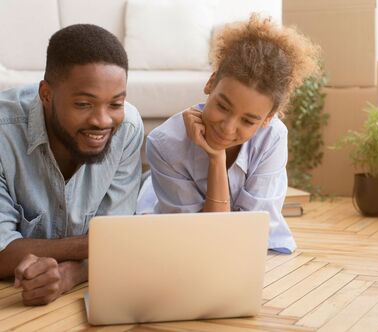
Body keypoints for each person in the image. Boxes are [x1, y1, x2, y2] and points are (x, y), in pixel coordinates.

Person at [137, 15, 319, 253]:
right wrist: (217, 160)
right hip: (173, 225)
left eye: (248, 120)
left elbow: (247, 236)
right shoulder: (165, 143)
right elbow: (204, 242)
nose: (227, 128)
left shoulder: (272, 137)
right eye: (223, 107)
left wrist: (216, 156)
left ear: (268, 118)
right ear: (211, 83)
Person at [0, 24, 144, 305]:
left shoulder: (127, 128)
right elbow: (2, 252)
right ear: (46, 94)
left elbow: (116, 236)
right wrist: (95, 244)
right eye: (83, 104)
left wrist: (72, 274)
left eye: (115, 104)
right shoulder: (4, 133)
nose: (102, 121)